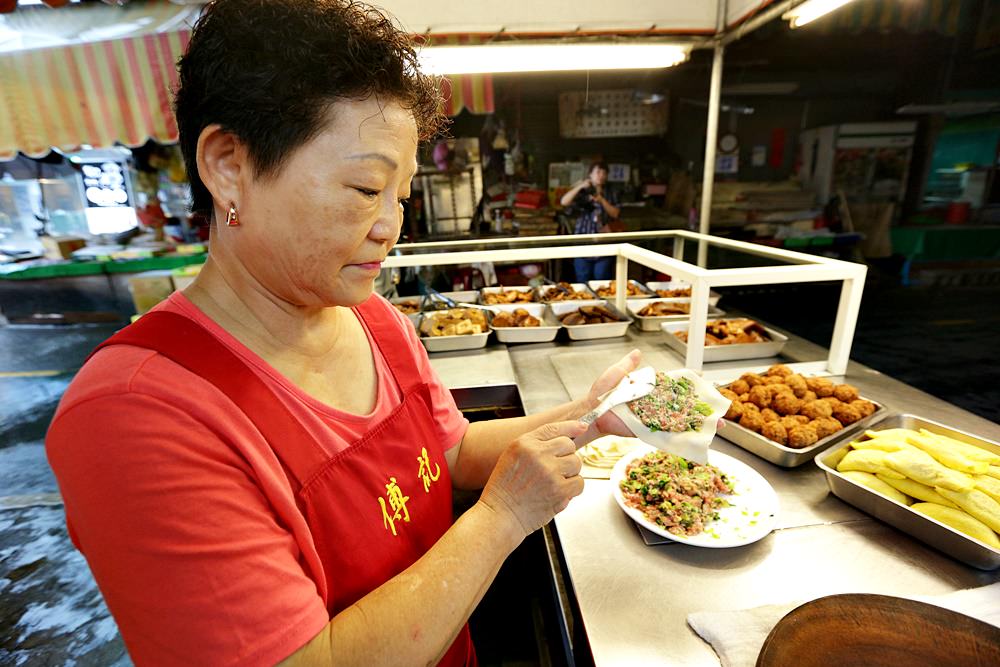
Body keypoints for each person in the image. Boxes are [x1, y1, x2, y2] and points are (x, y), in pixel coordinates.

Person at [44, 1, 640, 665]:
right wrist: (500, 518)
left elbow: (450, 450)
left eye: (402, 193)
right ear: (227, 165)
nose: (391, 224)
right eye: (364, 187)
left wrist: (590, 418)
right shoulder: (136, 413)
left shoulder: (374, 319)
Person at [559, 161, 621, 283]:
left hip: (603, 244)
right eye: (598, 172)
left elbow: (615, 213)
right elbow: (563, 202)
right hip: (583, 243)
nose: (601, 175)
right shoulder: (582, 191)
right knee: (582, 279)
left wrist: (601, 199)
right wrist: (580, 186)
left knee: (602, 279)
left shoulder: (611, 192)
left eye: (604, 173)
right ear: (590, 175)